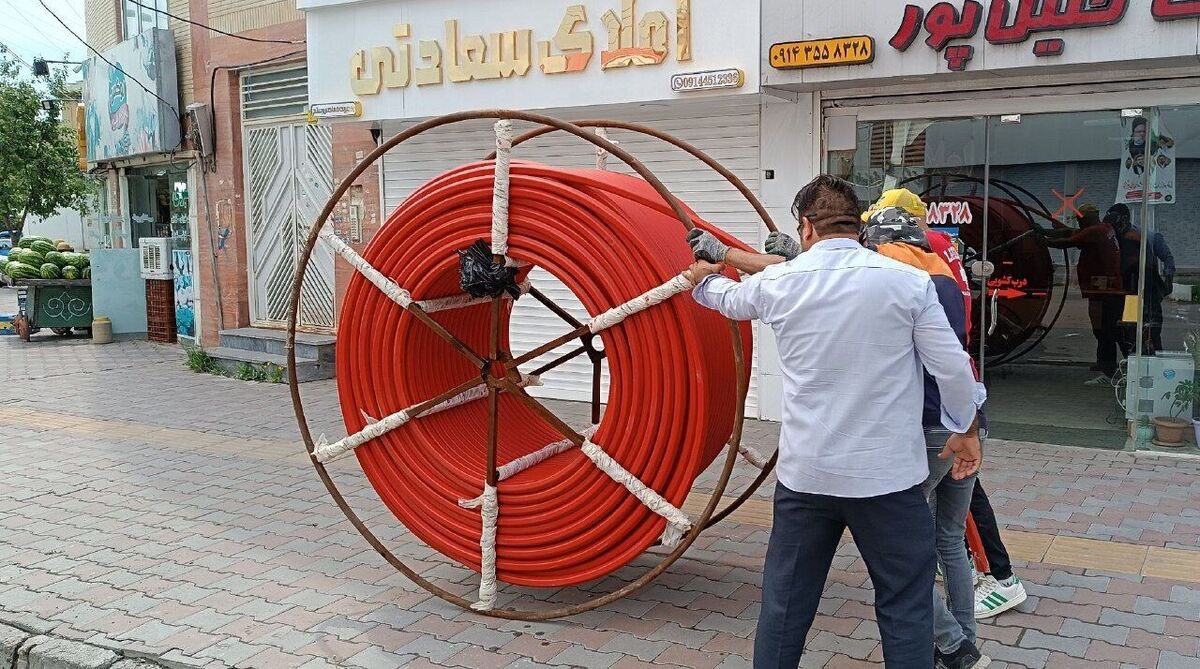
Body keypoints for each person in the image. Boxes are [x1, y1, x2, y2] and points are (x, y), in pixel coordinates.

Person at [686, 175, 984, 668]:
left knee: (785, 608)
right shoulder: (906, 283)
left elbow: (728, 300)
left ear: (805, 227)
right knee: (905, 607)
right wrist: (964, 430)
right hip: (888, 480)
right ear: (857, 223)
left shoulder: (781, 282)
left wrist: (706, 278)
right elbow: (952, 368)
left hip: (808, 479)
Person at [762, 188, 1027, 624]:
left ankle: (951, 641)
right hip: (959, 422)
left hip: (925, 429)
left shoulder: (899, 271)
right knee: (949, 534)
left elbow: (841, 281)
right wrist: (969, 425)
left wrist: (793, 261)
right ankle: (974, 618)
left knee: (903, 558)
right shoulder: (941, 263)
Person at [1039, 203, 1124, 382]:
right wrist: (1050, 231)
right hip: (1106, 289)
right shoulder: (1104, 228)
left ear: (1086, 218)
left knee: (1104, 330)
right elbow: (1073, 234)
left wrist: (1041, 240)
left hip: (1103, 291)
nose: (1078, 222)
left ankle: (1108, 372)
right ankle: (1104, 364)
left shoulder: (1095, 232)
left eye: (1079, 219)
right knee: (1105, 329)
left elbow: (1069, 240)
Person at [1108, 203, 1175, 353]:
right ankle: (1135, 358)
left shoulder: (1148, 236)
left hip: (1149, 289)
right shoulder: (1115, 237)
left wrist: (1168, 279)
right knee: (1131, 328)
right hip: (1130, 292)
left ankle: (1155, 358)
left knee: (1153, 327)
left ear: (1124, 219)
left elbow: (1167, 258)